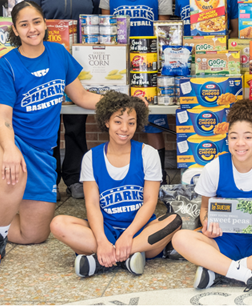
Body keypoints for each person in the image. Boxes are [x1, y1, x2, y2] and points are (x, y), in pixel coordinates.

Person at [0, 1, 102, 271]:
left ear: (44, 24)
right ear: (15, 29)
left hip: (40, 151)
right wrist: (11, 150)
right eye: (24, 24)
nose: (32, 29)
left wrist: (123, 100)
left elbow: (82, 97)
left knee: (33, 235)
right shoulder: (8, 64)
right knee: (12, 171)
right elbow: (2, 119)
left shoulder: (59, 54)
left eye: (36, 21)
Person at [170, 99, 252, 296]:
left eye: (248, 137)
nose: (240, 143)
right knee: (180, 238)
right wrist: (207, 224)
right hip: (222, 242)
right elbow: (205, 209)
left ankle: (220, 272)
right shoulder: (214, 167)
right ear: (227, 140)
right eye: (234, 137)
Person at [49, 91, 182, 277]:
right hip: (106, 228)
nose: (125, 129)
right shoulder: (91, 158)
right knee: (58, 223)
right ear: (107, 122)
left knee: (174, 221)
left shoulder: (148, 153)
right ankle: (128, 256)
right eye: (118, 121)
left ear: (138, 123)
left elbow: (150, 202)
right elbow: (92, 204)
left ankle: (101, 260)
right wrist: (102, 239)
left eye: (131, 122)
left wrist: (128, 235)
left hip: (139, 230)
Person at [24, 0, 102, 201]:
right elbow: (28, 24)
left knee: (75, 123)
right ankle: (48, 179)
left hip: (80, 65)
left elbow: (97, 25)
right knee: (47, 122)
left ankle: (74, 178)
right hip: (46, 61)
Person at [100, 0, 173, 182]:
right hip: (119, 66)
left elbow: (164, 31)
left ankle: (159, 174)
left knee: (153, 120)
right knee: (118, 118)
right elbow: (105, 30)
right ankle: (117, 172)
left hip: (149, 65)